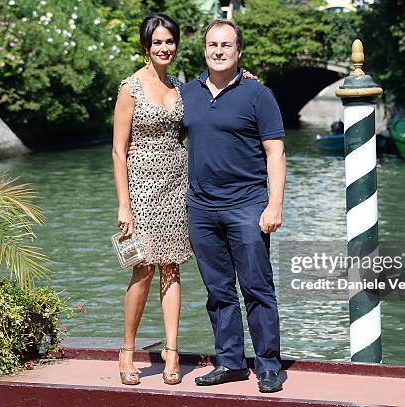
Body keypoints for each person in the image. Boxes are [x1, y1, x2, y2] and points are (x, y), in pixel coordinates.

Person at [182, 19, 286, 393]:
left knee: (257, 287)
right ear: (205, 50)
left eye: (226, 45)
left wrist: (274, 205)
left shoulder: (259, 95)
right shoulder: (187, 93)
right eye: (212, 45)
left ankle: (269, 365)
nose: (219, 50)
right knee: (219, 291)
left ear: (239, 51)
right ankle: (230, 363)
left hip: (247, 205)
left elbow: (275, 153)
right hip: (202, 209)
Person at [112, 13, 191, 386]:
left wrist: (247, 78)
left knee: (172, 268)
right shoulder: (130, 88)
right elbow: (118, 151)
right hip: (141, 191)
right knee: (141, 270)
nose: (165, 48)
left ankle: (171, 351)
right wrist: (123, 205)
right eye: (157, 42)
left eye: (169, 41)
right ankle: (127, 351)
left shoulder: (181, 86)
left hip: (178, 187)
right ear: (146, 46)